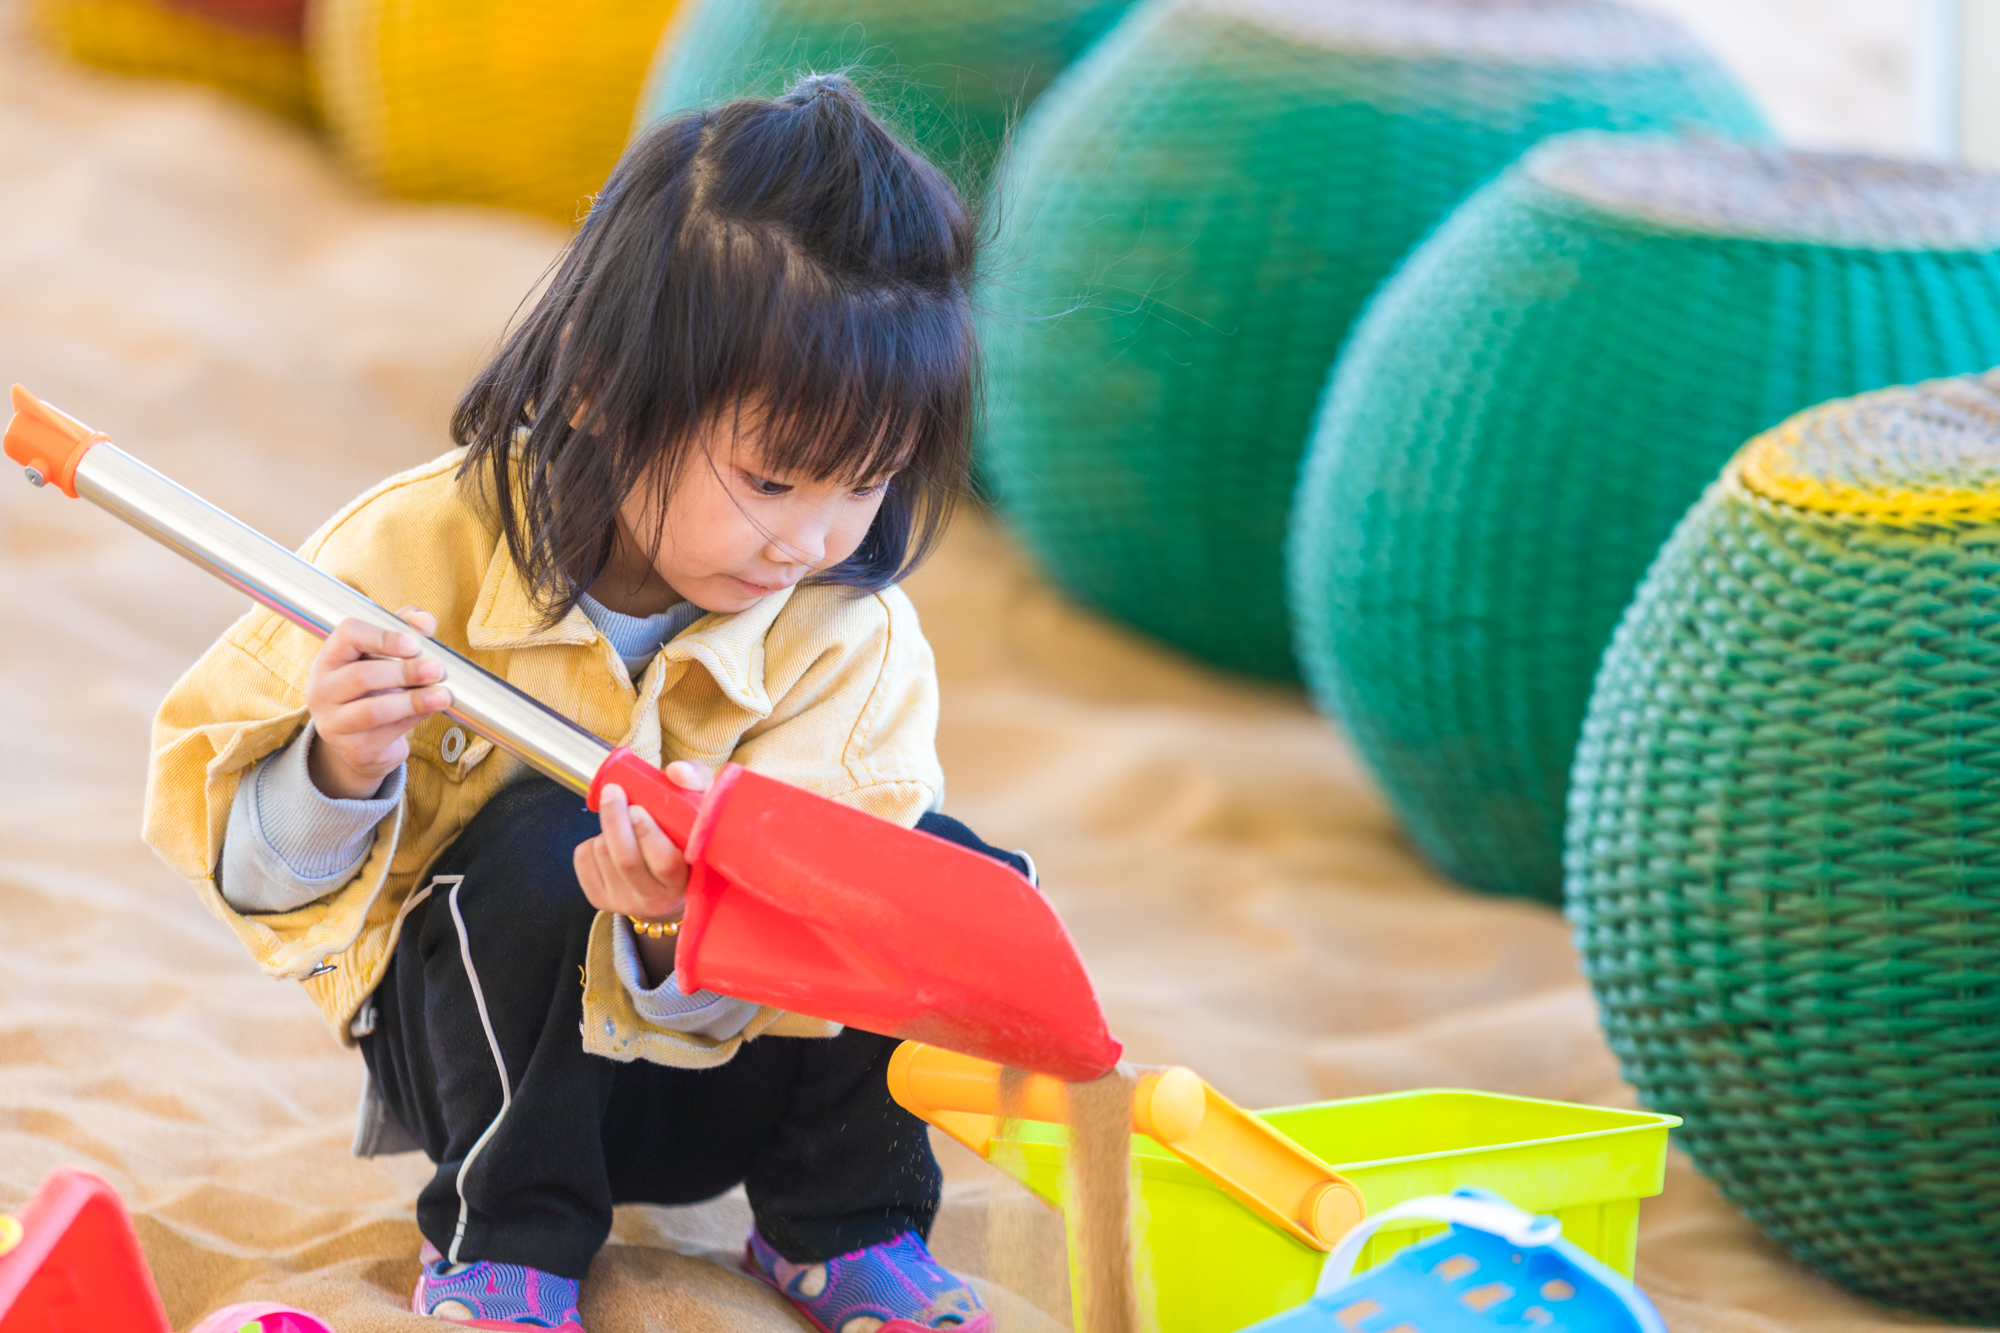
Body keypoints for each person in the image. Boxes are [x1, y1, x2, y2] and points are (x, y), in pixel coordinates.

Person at [145, 73, 1014, 1333]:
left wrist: (678, 928)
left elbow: (833, 937)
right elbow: (250, 874)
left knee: (932, 864)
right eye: (771, 478)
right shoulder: (414, 549)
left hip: (719, 1066)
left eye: (865, 482)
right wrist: (338, 766)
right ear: (604, 386)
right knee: (540, 836)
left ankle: (844, 1222)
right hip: (487, 1057)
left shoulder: (850, 634)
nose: (810, 537)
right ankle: (507, 1248)